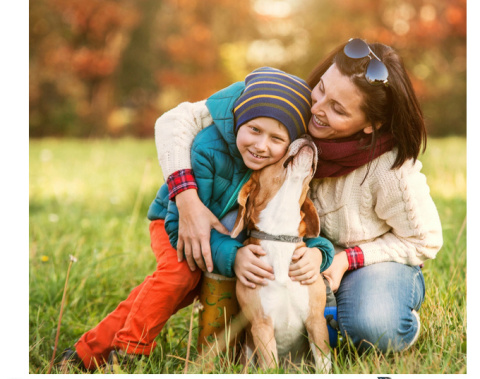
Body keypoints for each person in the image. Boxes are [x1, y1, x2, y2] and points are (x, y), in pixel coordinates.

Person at [152, 38, 443, 353]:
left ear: (371, 124)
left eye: (337, 109)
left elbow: (424, 240)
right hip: (297, 252)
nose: (316, 109)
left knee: (374, 328)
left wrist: (347, 259)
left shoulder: (391, 172)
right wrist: (186, 198)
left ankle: (389, 320)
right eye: (321, 89)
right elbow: (175, 121)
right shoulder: (290, 108)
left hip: (369, 260)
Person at [59, 67, 335, 372]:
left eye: (276, 138)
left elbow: (290, 229)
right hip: (174, 222)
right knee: (180, 277)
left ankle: (86, 353)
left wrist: (320, 251)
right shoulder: (208, 149)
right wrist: (232, 257)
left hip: (219, 232)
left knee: (168, 291)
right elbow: (183, 225)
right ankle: (128, 352)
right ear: (239, 120)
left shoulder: (274, 170)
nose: (261, 145)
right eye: (254, 130)